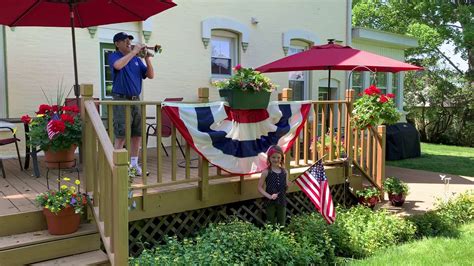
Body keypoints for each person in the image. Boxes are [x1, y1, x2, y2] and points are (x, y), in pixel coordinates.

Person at [108, 32, 154, 175]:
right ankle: (117, 167)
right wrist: (134, 51)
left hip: (136, 100)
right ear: (117, 44)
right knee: (121, 134)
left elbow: (151, 75)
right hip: (121, 99)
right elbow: (118, 66)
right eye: (125, 40)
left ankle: (134, 165)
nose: (129, 42)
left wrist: (147, 58)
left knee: (137, 134)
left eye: (130, 40)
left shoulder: (136, 60)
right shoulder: (114, 56)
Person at [257, 145, 290, 226]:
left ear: (281, 158)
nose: (276, 159)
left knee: (282, 223)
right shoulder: (266, 172)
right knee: (270, 223)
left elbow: (286, 188)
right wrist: (269, 196)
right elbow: (259, 187)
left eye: (278, 157)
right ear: (269, 158)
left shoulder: (285, 172)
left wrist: (288, 186)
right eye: (273, 157)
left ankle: (281, 238)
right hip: (270, 202)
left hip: (282, 201)